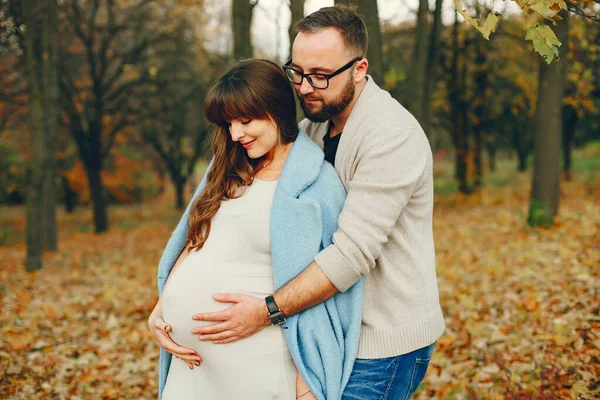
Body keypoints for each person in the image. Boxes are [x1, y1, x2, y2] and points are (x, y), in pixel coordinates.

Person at [190, 6, 446, 399]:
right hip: (327, 332)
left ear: (359, 69)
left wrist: (266, 311)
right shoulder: (312, 128)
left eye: (321, 76)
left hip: (380, 343)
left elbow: (350, 255)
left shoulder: (392, 136)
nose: (305, 87)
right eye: (297, 72)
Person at [148, 58, 363, 400]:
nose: (235, 134)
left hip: (256, 366)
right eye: (229, 123)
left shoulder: (317, 186)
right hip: (191, 368)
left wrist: (304, 382)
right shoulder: (226, 168)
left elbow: (326, 288)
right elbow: (196, 240)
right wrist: (160, 313)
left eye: (245, 121)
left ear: (277, 111)